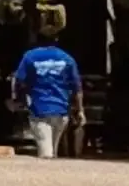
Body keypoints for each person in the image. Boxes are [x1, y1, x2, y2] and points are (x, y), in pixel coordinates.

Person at [13, 17, 83, 158]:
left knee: (46, 152)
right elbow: (77, 87)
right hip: (62, 111)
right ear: (56, 40)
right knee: (53, 149)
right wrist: (80, 110)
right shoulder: (67, 58)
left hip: (39, 110)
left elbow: (19, 81)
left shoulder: (29, 57)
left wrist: (21, 100)